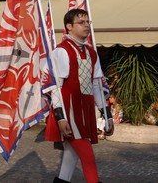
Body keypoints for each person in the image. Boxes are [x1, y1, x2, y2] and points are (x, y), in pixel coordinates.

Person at [46, 9, 114, 183]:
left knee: (70, 158)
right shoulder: (61, 51)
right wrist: (60, 118)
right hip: (69, 112)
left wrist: (107, 115)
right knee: (87, 156)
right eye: (81, 22)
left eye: (87, 22)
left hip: (86, 110)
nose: (86, 26)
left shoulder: (92, 52)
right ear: (69, 26)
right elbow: (55, 87)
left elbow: (96, 86)